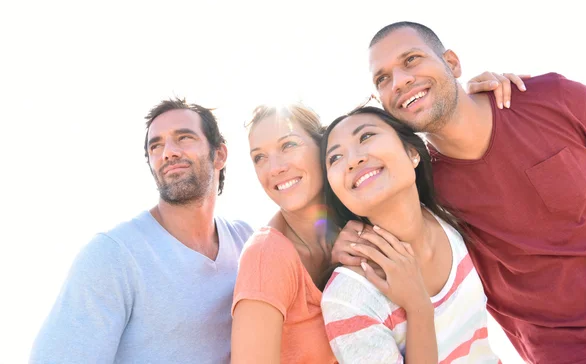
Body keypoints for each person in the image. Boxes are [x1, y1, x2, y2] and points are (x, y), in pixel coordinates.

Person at [336, 21, 586, 363]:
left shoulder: (550, 98)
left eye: (411, 60)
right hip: (567, 352)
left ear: (453, 63)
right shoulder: (422, 187)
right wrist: (333, 234)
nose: (399, 81)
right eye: (382, 79)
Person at [231, 70, 519, 364]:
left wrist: (491, 97)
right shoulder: (272, 258)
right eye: (259, 157)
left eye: (288, 145)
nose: (275, 167)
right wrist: (418, 306)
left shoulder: (398, 215)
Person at [30, 98, 253, 364]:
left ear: (219, 154)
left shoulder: (245, 242)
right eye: (156, 145)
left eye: (184, 137)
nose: (168, 152)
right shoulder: (113, 255)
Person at [320, 106, 499, 363]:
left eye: (366, 136)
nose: (352, 160)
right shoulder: (348, 296)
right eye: (335, 158)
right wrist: (418, 307)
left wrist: (493, 92)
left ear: (412, 152)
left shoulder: (450, 213)